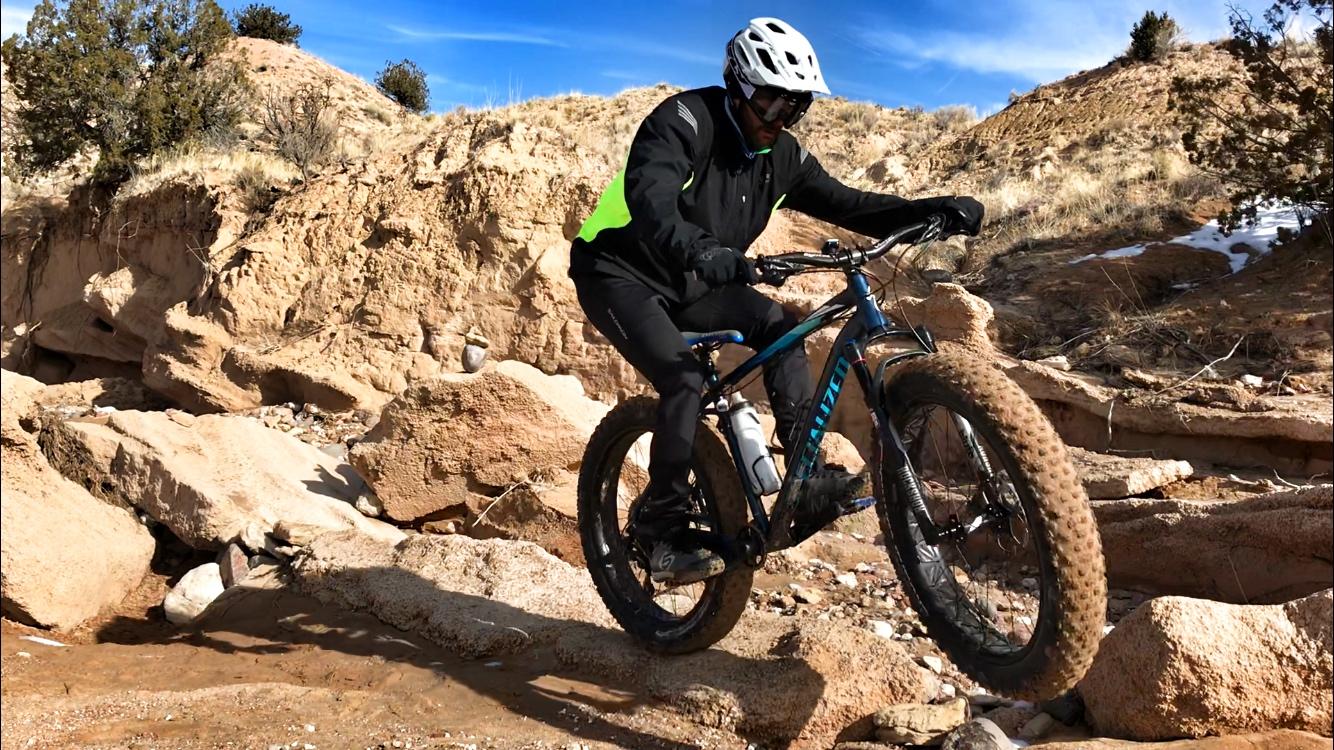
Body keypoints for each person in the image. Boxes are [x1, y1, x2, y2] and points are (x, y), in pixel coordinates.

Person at [569, 17, 984, 584]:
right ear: (738, 85)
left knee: (782, 326)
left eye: (794, 108)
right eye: (770, 104)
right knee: (683, 379)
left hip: (692, 281)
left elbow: (851, 204)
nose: (779, 119)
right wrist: (701, 248)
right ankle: (659, 534)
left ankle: (804, 479)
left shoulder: (782, 157)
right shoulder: (683, 121)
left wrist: (929, 209)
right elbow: (652, 200)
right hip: (619, 272)